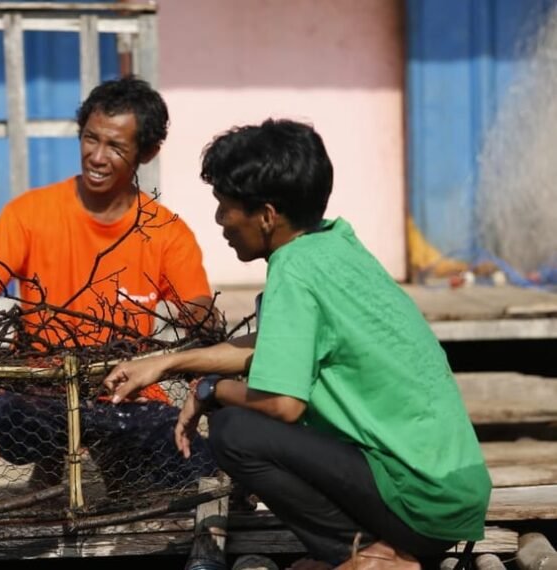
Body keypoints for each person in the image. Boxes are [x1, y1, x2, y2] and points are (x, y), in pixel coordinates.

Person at [102, 119, 491, 568]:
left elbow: (282, 403)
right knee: (236, 406)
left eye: (225, 207)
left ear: (267, 215)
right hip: (455, 492)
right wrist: (169, 363)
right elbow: (273, 345)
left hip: (421, 504)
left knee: (235, 429)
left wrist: (208, 391)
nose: (219, 221)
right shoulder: (333, 243)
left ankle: (367, 553)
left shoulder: (293, 268)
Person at [0, 76, 219, 493]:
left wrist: (204, 322)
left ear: (147, 152)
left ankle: (115, 474)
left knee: (191, 462)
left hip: (125, 396)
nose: (97, 156)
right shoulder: (30, 213)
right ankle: (56, 470)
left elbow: (196, 303)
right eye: (90, 139)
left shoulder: (167, 231)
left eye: (116, 147)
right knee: (13, 419)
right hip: (41, 395)